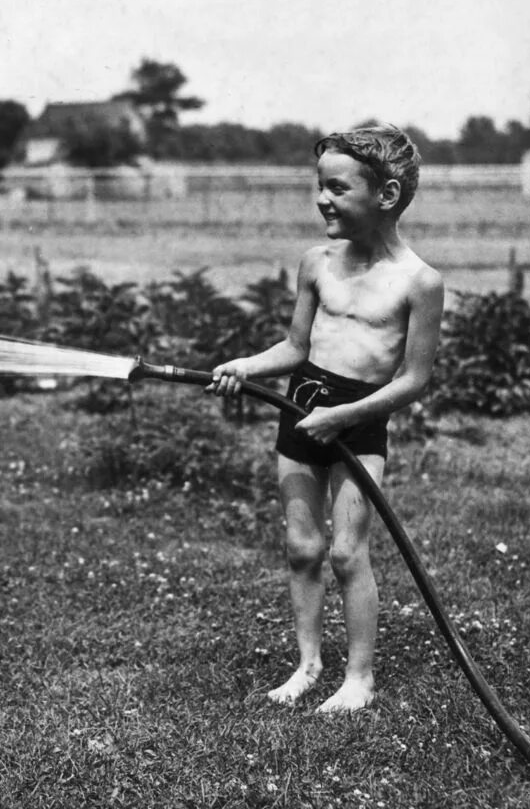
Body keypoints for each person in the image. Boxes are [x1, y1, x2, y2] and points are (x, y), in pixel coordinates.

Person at [207, 124, 444, 713]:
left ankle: (358, 679)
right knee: (302, 547)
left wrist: (343, 415)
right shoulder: (316, 262)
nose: (322, 199)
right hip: (299, 409)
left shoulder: (419, 282)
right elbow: (294, 348)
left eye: (337, 188)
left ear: (385, 196)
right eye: (320, 186)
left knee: (346, 553)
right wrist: (245, 366)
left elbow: (413, 380)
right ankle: (308, 664)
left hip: (357, 424)